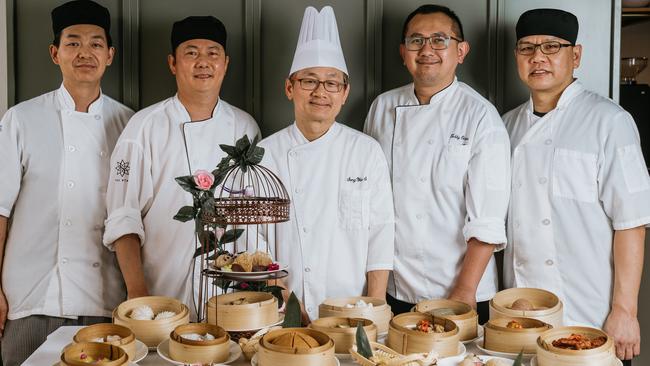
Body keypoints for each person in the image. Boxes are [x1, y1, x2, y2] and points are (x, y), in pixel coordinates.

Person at [503, 8, 650, 364]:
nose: (538, 57)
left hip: (588, 311)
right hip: (521, 315)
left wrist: (625, 311)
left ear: (576, 55)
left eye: (552, 47)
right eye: (527, 48)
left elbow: (630, 222)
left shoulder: (611, 122)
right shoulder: (505, 126)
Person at [0, 1, 133, 364]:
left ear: (110, 55)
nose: (84, 53)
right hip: (30, 298)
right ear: (55, 53)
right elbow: (0, 210)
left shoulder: (130, 127)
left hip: (106, 302)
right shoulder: (21, 120)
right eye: (73, 43)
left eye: (95, 43)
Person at [364, 4, 510, 323]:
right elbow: (371, 199)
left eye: (440, 40)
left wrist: (464, 291)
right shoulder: (382, 107)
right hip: (394, 289)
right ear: (404, 52)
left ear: (461, 51)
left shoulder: (481, 116)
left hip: (460, 292)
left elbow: (487, 218)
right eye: (416, 41)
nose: (427, 49)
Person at [103, 16, 260, 309]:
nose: (203, 62)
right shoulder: (143, 128)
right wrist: (138, 293)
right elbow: (123, 217)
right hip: (161, 295)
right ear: (173, 63)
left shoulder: (245, 128)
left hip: (233, 300)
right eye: (191, 52)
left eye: (212, 53)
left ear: (225, 63)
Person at [258, 6, 395, 322]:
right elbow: (255, 239)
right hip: (281, 309)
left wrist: (372, 309)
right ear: (289, 88)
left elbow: (381, 233)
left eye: (332, 83)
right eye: (309, 81)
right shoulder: (265, 155)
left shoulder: (366, 151)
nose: (321, 92)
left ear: (345, 93)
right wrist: (286, 300)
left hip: (352, 311)